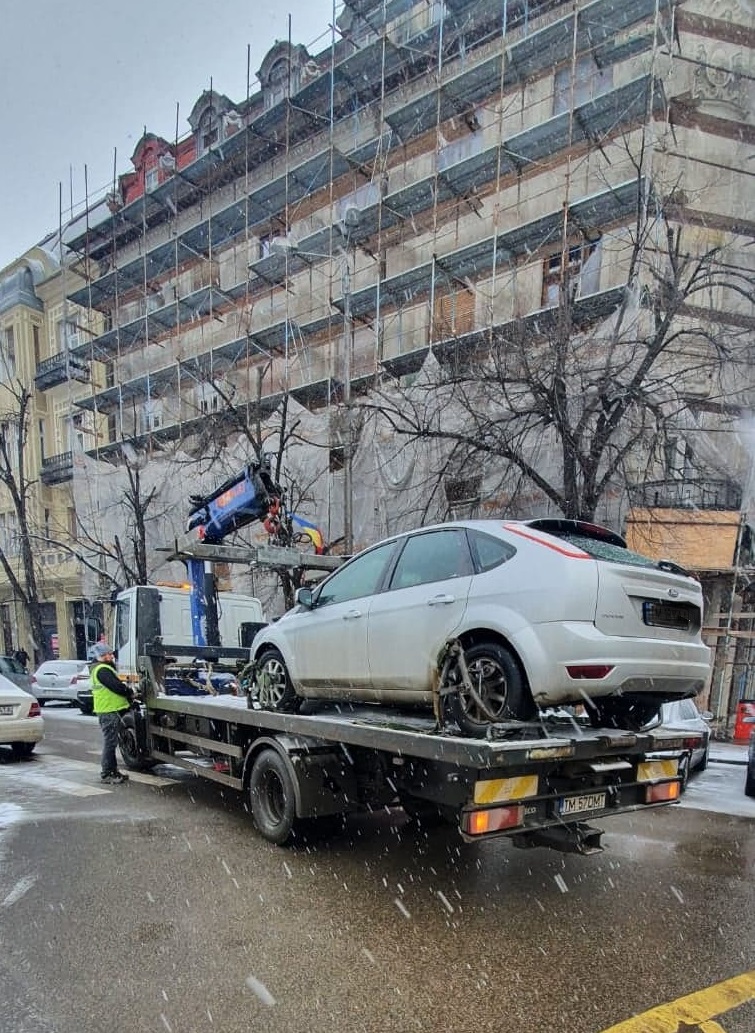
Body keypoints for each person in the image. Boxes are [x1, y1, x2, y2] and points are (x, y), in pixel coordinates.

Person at [89, 642, 136, 785]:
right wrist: (129, 692)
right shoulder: (102, 669)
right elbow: (116, 687)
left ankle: (113, 771)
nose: (111, 656)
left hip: (110, 709)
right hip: (108, 711)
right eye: (108, 654)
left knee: (113, 742)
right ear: (101, 656)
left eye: (110, 653)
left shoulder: (102, 667)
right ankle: (107, 773)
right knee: (110, 743)